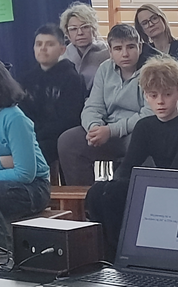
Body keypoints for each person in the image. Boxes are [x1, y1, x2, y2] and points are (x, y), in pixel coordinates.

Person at [85, 56, 178, 257]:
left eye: (167, 94)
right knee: (100, 192)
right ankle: (108, 254)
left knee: (117, 194)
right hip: (159, 184)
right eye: (153, 95)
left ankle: (121, 252)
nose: (160, 101)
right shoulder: (145, 126)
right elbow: (128, 167)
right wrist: (110, 187)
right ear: (146, 96)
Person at [57, 24, 153, 186]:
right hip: (106, 129)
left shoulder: (151, 70)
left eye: (131, 47)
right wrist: (94, 128)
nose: (125, 54)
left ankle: (129, 196)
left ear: (140, 47)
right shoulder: (105, 68)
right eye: (118, 48)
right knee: (68, 141)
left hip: (135, 132)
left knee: (141, 142)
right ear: (110, 51)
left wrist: (111, 130)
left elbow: (149, 114)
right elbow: (93, 105)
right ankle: (85, 199)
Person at [0, 64, 51, 257]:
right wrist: (5, 161)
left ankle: (5, 257)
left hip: (34, 187)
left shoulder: (14, 117)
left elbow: (25, 173)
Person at [18, 24, 85, 166]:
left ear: (62, 49)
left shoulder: (72, 79)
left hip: (56, 137)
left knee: (27, 155)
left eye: (50, 44)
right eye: (38, 44)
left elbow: (69, 119)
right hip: (30, 135)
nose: (43, 48)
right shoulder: (26, 79)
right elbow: (23, 112)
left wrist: (35, 135)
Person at [133, 4, 178, 106]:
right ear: (141, 30)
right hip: (149, 106)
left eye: (154, 18)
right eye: (145, 23)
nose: (151, 24)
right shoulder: (142, 53)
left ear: (162, 18)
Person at [59, 2, 110, 92]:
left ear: (93, 29)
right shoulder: (62, 56)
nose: (80, 33)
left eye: (85, 27)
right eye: (73, 29)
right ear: (67, 34)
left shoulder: (107, 53)